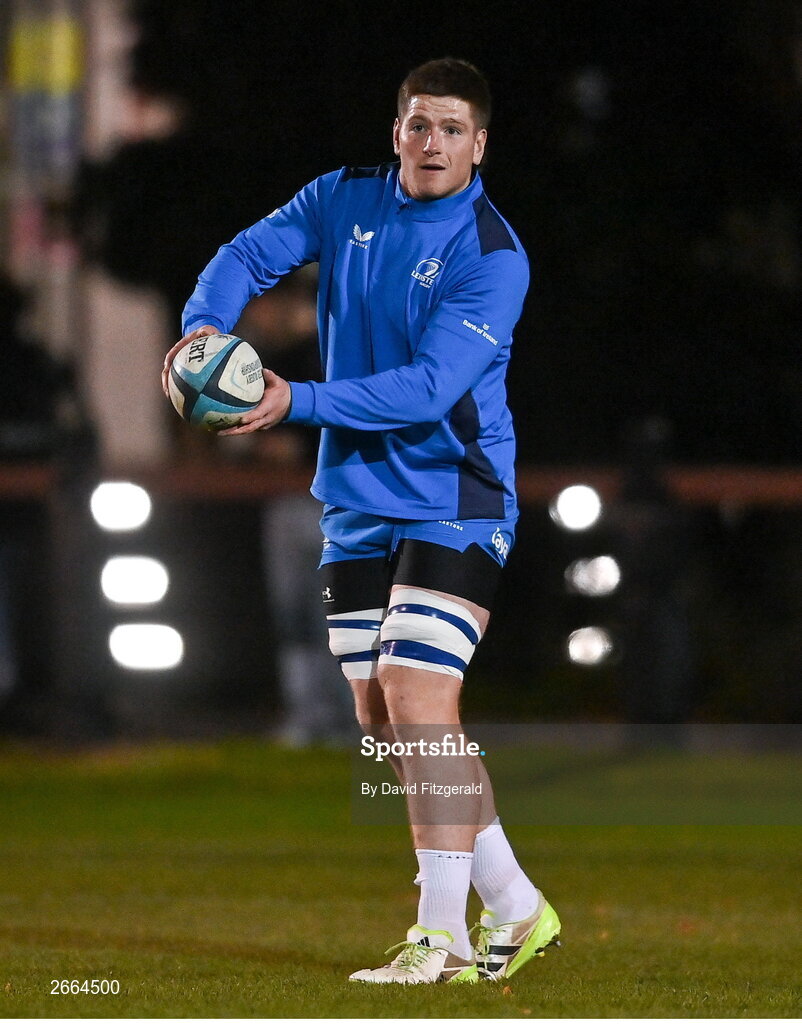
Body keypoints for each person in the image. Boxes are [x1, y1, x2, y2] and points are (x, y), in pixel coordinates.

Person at [162, 58, 560, 984]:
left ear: (480, 145)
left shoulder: (493, 254)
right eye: (419, 124)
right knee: (385, 714)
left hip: (454, 490)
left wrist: (290, 399)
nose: (433, 143)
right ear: (396, 134)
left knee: (419, 694)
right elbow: (244, 256)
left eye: (453, 129)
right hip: (357, 493)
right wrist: (202, 331)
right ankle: (518, 905)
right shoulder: (342, 198)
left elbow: (429, 390)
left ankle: (442, 940)